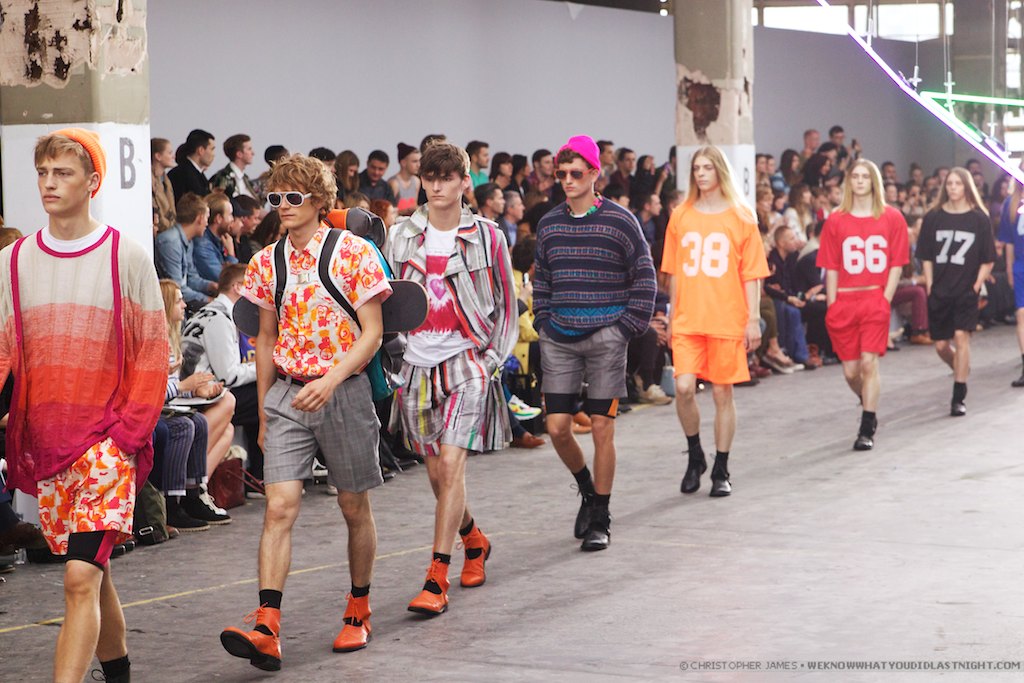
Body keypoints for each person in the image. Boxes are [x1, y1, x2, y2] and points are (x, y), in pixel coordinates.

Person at [0, 128, 167, 682]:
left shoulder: (126, 256)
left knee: (77, 579)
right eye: (43, 173)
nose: (49, 183)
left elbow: (152, 352)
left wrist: (125, 438)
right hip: (49, 444)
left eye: (63, 173)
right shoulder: (13, 262)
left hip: (105, 447)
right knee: (92, 573)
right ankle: (119, 675)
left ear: (92, 182)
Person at [220, 155, 391, 671]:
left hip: (345, 392)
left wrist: (331, 380)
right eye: (275, 198)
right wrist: (264, 411)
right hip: (287, 395)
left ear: (319, 201)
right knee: (278, 507)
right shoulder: (265, 262)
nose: (284, 206)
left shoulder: (353, 253)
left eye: (294, 197)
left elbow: (373, 333)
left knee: (353, 506)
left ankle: (358, 608)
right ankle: (267, 626)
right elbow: (265, 337)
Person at [384, 142, 517, 615]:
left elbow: (507, 301)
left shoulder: (488, 237)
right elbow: (386, 299)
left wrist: (491, 360)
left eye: (447, 177)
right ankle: (474, 540)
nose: (437, 186)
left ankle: (436, 578)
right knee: (438, 474)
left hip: (467, 363)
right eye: (430, 177)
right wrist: (394, 359)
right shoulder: (400, 236)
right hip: (415, 364)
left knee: (453, 465)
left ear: (465, 181)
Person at [533, 135, 656, 551]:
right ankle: (587, 488)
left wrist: (626, 327)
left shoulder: (621, 221)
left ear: (593, 174)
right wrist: (544, 320)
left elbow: (644, 274)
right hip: (559, 337)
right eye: (561, 174)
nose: (567, 180)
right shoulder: (549, 224)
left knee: (602, 427)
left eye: (575, 173)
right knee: (557, 427)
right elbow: (542, 278)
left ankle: (601, 516)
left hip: (607, 336)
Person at [663, 145, 770, 498]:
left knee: (723, 392)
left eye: (707, 167)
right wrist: (672, 315)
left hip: (727, 316)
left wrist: (753, 318)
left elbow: (752, 274)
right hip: (688, 318)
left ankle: (721, 467)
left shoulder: (742, 216)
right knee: (683, 388)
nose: (701, 173)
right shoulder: (681, 215)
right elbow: (674, 272)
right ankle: (695, 454)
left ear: (720, 171)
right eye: (697, 168)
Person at [817, 159, 909, 450]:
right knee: (851, 372)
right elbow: (831, 266)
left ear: (874, 181)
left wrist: (885, 298)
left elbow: (897, 262)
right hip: (844, 300)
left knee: (869, 364)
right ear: (848, 182)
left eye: (865, 176)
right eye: (854, 176)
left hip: (874, 298)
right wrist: (832, 304)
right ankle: (867, 399)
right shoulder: (836, 220)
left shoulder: (891, 217)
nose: (859, 181)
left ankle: (867, 426)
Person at [916, 168, 996, 416]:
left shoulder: (979, 219)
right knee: (941, 345)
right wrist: (930, 283)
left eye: (958, 184)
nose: (952, 188)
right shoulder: (933, 217)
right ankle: (961, 368)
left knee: (961, 337)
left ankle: (958, 394)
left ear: (966, 187)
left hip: (965, 290)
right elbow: (925, 255)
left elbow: (988, 258)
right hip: (940, 289)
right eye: (949, 183)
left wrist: (976, 284)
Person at [168, 129, 215, 201]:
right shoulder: (182, 174)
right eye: (212, 149)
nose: (213, 154)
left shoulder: (197, 173)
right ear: (201, 150)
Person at [209, 133, 257, 198]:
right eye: (249, 149)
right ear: (239, 154)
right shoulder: (222, 177)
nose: (253, 153)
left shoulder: (246, 178)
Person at [151, 137, 177, 234]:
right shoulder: (148, 181)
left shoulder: (167, 180)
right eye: (169, 153)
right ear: (158, 156)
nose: (173, 156)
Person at [388, 143, 421, 216]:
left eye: (419, 161)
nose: (418, 165)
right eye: (414, 161)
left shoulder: (416, 181)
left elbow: (414, 204)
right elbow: (388, 209)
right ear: (403, 163)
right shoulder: (394, 183)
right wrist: (404, 211)